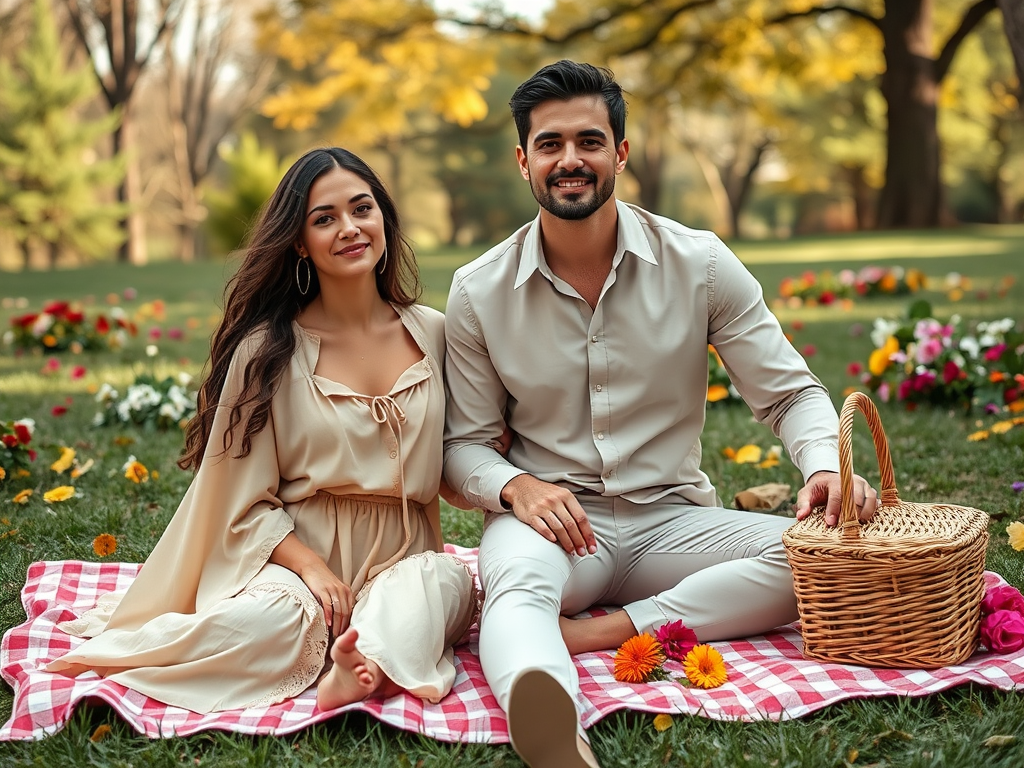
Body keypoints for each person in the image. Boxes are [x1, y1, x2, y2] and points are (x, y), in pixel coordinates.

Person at [442, 60, 879, 768]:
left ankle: (598, 635)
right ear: (525, 160)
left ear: (620, 151)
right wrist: (518, 489)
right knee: (515, 588)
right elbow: (462, 448)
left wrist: (825, 464)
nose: (570, 160)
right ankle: (544, 712)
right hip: (554, 525)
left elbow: (790, 392)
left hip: (673, 520)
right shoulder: (478, 290)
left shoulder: (700, 264)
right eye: (550, 144)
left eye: (589, 140)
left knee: (808, 559)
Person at [47, 147, 481, 714]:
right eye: (324, 219)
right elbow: (241, 503)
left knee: (434, 589)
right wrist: (315, 571)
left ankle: (361, 663)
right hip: (297, 561)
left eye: (361, 209)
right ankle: (346, 652)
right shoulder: (268, 352)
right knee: (270, 623)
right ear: (299, 242)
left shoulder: (436, 334)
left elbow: (459, 458)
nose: (349, 228)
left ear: (384, 218)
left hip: (408, 557)